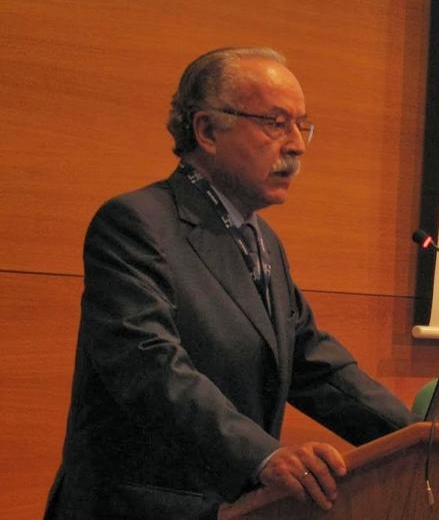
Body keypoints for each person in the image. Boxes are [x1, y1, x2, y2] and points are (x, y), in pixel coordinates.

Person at [45, 48, 415, 519]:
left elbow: (315, 366)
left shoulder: (261, 240)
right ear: (207, 130)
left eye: (303, 124)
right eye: (276, 123)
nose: (297, 144)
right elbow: (151, 369)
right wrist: (262, 455)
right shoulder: (135, 224)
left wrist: (423, 438)